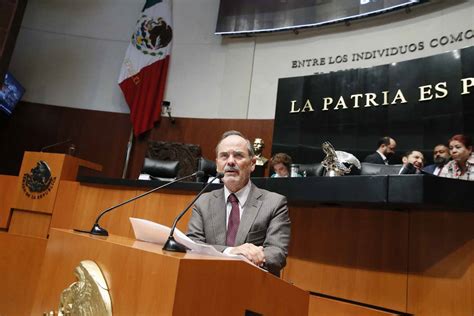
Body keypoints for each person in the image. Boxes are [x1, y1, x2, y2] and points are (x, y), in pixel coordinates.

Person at [187, 130, 291, 276]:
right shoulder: (203, 202)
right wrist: (231, 252)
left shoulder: (274, 203)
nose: (230, 161)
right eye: (224, 156)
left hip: (252, 285)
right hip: (209, 280)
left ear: (252, 163)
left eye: (238, 155)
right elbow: (193, 244)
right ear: (217, 165)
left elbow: (276, 254)